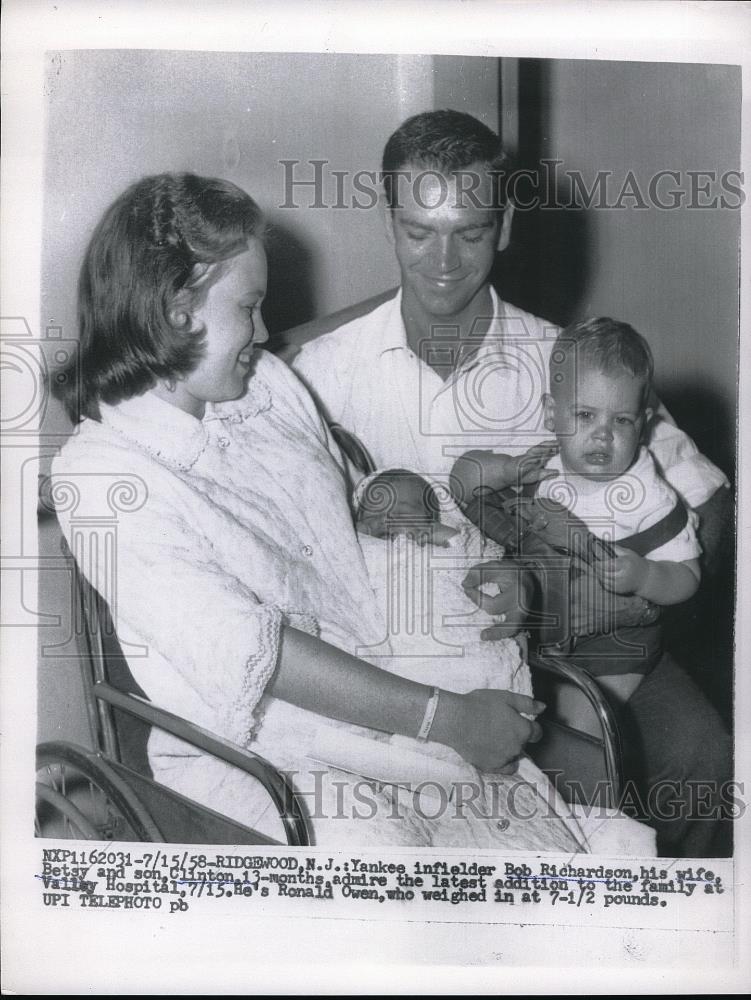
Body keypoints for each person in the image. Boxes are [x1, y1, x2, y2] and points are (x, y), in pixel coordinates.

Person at [50, 171, 646, 852]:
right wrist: (443, 718)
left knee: (597, 852)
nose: (266, 330)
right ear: (178, 310)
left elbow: (358, 521)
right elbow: (256, 654)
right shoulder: (100, 477)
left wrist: (480, 573)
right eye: (249, 307)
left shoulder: (262, 387)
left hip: (387, 697)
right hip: (270, 760)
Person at [289, 110, 732, 855]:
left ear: (504, 225)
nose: (441, 262)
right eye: (417, 231)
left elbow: (708, 502)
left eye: (468, 231)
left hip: (570, 643)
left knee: (698, 754)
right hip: (400, 654)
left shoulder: (565, 360)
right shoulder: (319, 376)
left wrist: (623, 631)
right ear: (386, 218)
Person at [455, 318, 702, 733]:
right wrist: (508, 472)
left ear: (643, 422)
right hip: (548, 624)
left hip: (615, 646)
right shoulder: (545, 470)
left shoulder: (650, 497)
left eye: (621, 421)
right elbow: (470, 488)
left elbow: (689, 577)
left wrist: (646, 575)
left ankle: (592, 790)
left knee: (578, 725)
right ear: (552, 414)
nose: (602, 435)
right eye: (585, 415)